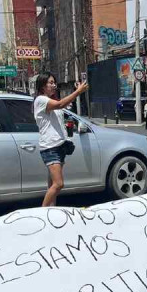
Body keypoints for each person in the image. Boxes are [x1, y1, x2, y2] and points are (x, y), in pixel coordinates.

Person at [33, 72, 89, 207]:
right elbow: (61, 105)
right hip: (50, 147)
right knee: (58, 184)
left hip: (59, 146)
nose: (54, 85)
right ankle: (42, 214)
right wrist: (78, 91)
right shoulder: (41, 100)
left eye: (54, 83)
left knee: (52, 186)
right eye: (50, 83)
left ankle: (51, 213)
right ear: (42, 86)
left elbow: (58, 114)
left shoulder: (51, 100)